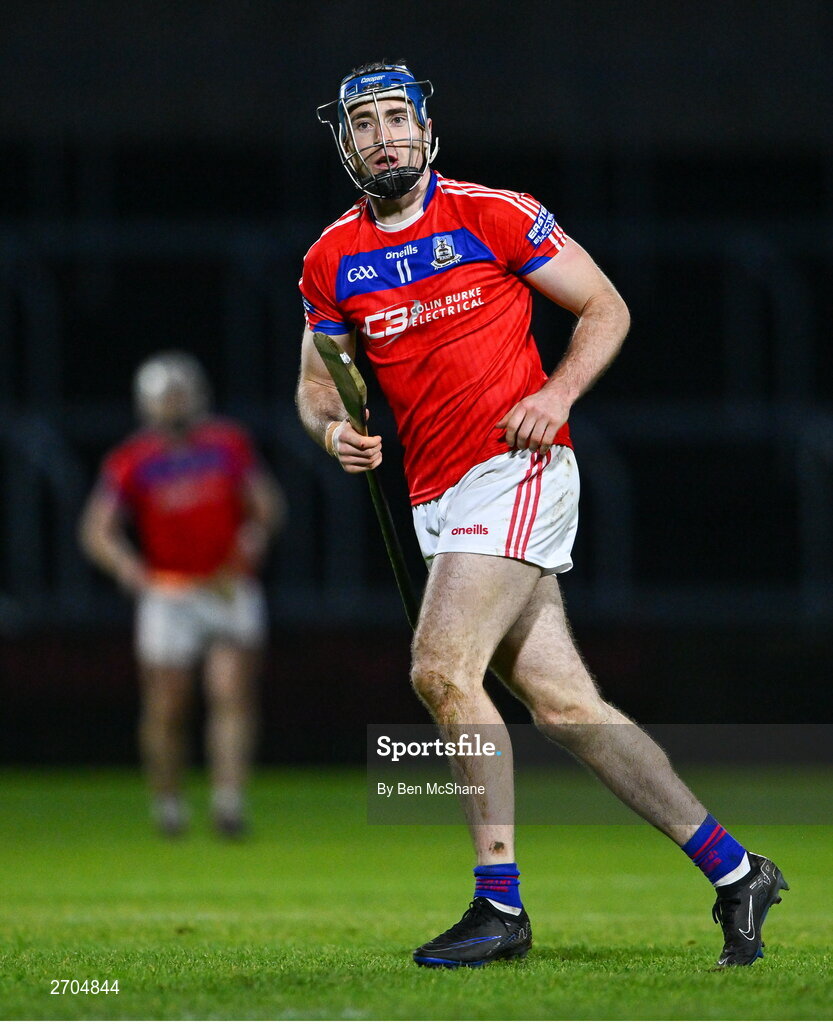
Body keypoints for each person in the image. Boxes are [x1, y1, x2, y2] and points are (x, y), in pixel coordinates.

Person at [295, 61, 788, 968]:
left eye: (394, 117)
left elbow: (605, 305)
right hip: (434, 497)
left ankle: (499, 907)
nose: (381, 136)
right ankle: (735, 870)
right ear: (344, 144)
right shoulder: (331, 257)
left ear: (428, 129)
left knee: (440, 671)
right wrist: (334, 436)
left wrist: (557, 396)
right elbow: (316, 385)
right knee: (565, 708)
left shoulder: (493, 212)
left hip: (515, 469)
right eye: (361, 124)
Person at [80, 351, 285, 837]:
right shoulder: (132, 460)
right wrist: (128, 567)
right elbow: (96, 530)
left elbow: (267, 508)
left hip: (227, 587)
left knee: (231, 693)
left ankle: (229, 803)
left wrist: (251, 541)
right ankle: (168, 805)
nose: (174, 405)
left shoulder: (227, 445)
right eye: (165, 397)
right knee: (168, 705)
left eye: (181, 395)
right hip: (170, 593)